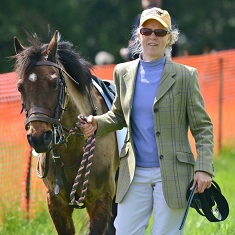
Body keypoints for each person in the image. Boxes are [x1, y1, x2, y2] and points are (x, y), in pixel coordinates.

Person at [81, 7, 214, 235]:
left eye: (160, 32)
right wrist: (97, 123)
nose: (153, 37)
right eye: (147, 31)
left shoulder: (185, 76)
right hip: (133, 173)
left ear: (169, 38)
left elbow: (202, 128)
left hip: (172, 173)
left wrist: (204, 168)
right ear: (139, 35)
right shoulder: (122, 72)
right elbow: (118, 115)